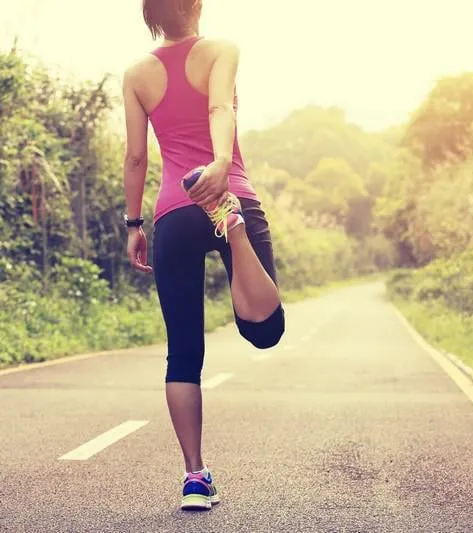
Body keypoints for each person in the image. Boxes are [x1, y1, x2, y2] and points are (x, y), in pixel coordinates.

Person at [121, 0, 284, 511]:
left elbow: (135, 156)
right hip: (227, 191)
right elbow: (220, 108)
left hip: (172, 211)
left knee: (183, 352)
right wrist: (217, 169)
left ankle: (195, 477)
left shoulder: (136, 74)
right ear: (196, 6)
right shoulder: (221, 50)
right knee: (264, 330)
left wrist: (133, 225)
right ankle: (233, 233)